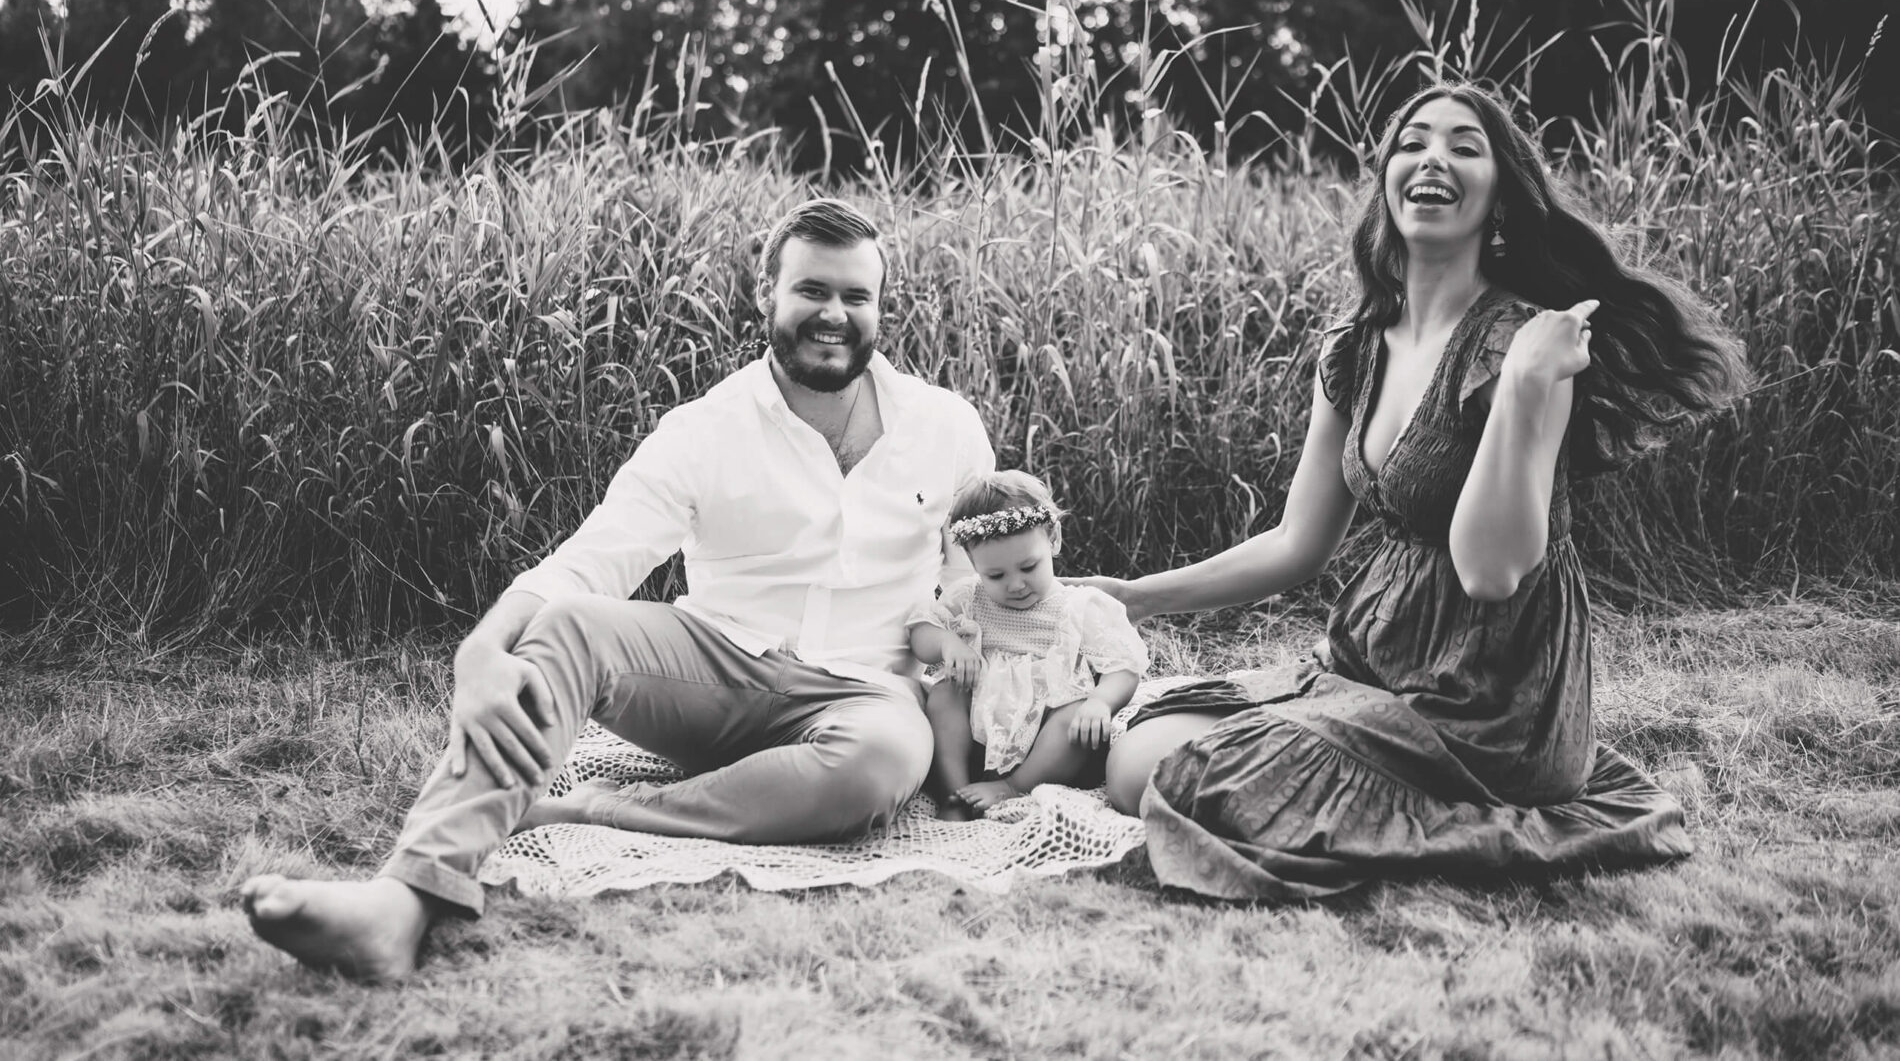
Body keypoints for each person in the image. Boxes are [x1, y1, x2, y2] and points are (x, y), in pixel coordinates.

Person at [240, 198, 996, 978]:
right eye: (811, 290)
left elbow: (982, 573)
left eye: (855, 296)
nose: (833, 313)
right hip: (718, 669)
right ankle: (400, 901)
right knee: (568, 625)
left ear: (880, 307)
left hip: (865, 694)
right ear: (767, 293)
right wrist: (479, 650)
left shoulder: (946, 427)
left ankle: (591, 808)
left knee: (881, 759)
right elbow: (592, 558)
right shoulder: (706, 428)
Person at [1083, 81, 1748, 900]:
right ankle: (1353, 777)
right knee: (1143, 743)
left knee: (1164, 775)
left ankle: (1476, 826)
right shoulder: (1357, 348)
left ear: (1500, 197)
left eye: (1465, 146)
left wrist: (1525, 386)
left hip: (1490, 707)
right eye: (1413, 142)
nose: (1434, 157)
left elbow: (1490, 569)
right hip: (1372, 666)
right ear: (1388, 179)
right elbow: (1299, 542)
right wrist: (1133, 598)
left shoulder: (1524, 347)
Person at [907, 471, 1149, 819]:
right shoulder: (969, 598)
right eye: (996, 575)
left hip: (1049, 750)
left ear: (1053, 540)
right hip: (978, 740)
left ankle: (1013, 788)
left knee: (1074, 713)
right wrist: (947, 643)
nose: (1016, 584)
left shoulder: (1079, 608)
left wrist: (1100, 701)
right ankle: (955, 792)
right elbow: (920, 631)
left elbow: (1123, 667)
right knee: (946, 693)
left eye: (1028, 567)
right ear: (974, 565)